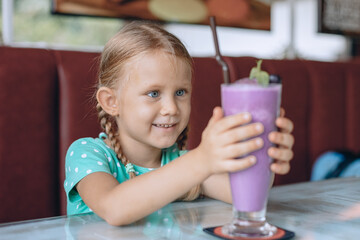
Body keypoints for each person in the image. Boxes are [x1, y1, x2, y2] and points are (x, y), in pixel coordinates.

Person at [64, 21, 294, 226]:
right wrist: (202, 160)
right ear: (111, 102)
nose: (172, 108)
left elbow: (245, 194)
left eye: (181, 92)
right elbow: (114, 209)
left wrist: (263, 152)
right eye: (153, 93)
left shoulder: (182, 163)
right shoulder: (87, 153)